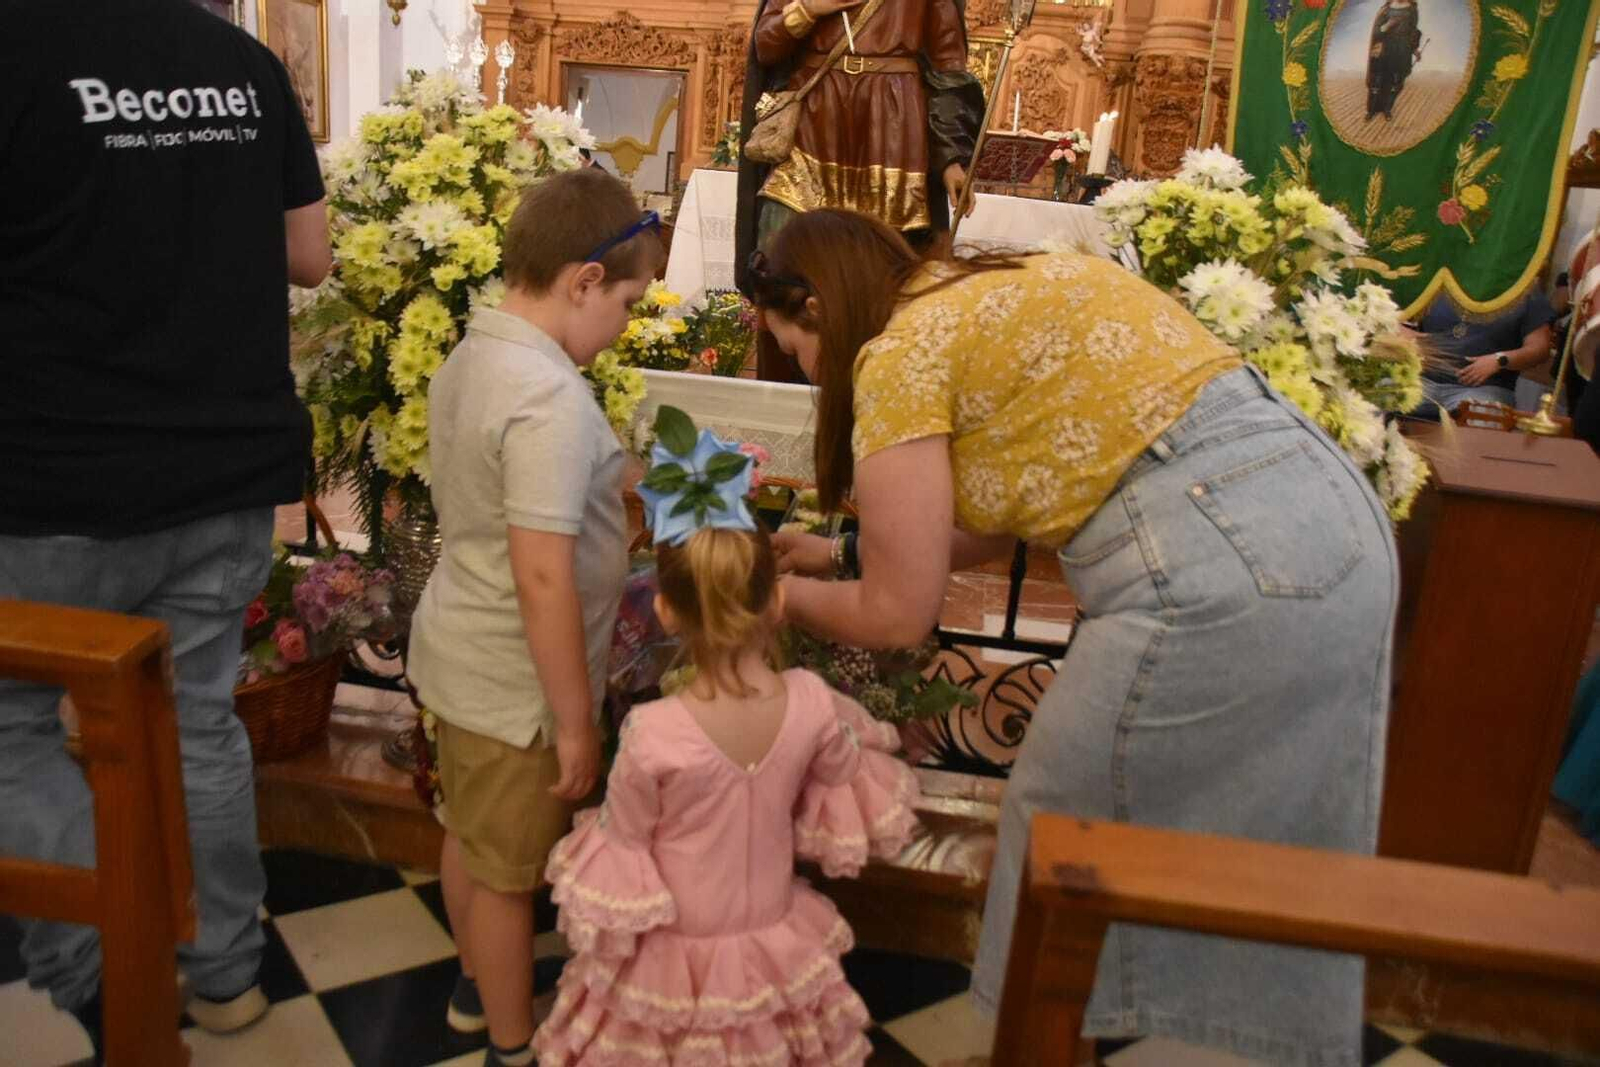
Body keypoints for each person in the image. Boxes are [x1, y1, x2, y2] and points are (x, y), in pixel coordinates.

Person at [753, 209, 1398, 1066]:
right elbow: (1007, 498)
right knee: (1263, 848)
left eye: (797, 351)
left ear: (817, 307)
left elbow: (898, 614)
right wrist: (841, 554)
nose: (809, 372)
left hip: (1220, 559)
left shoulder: (899, 351)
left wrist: (780, 599)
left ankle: (1042, 1047)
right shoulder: (993, 285)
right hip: (1326, 517)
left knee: (1057, 840)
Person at [0, 0, 328, 1057]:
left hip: (52, 484)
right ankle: (227, 970)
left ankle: (110, 976)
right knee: (197, 720)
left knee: (9, 732)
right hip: (223, 467)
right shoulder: (242, 60)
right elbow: (310, 255)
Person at [531, 429, 920, 1065]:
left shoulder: (653, 733)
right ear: (776, 601)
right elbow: (845, 781)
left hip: (671, 959)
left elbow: (625, 847)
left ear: (666, 613)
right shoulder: (812, 703)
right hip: (772, 941)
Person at [406, 167, 660, 1067]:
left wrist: (647, 478)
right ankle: (513, 1044)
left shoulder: (481, 353)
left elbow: (543, 482)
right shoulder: (546, 395)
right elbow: (543, 574)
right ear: (583, 281)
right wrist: (572, 719)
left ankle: (478, 986)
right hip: (518, 689)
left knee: (471, 839)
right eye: (627, 302)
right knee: (508, 880)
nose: (625, 322)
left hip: (464, 658)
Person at [734, 0, 984, 380]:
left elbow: (948, 64)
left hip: (893, 129)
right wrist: (809, 8)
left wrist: (952, 158)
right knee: (778, 252)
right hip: (815, 120)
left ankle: (879, 382)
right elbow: (766, 46)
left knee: (887, 272)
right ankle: (783, 384)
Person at [1407, 291, 1556, 420]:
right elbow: (1396, 320)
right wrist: (1407, 338)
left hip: (1484, 389)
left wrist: (1499, 360)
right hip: (1422, 381)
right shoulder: (1438, 280)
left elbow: (1539, 349)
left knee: (1480, 416)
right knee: (1392, 398)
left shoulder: (1527, 292)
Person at [1366, 0, 1422, 121]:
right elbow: (1376, 32)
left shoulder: (1412, 9)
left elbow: (1413, 31)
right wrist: (1387, 25)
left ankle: (1387, 110)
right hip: (1385, 48)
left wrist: (1415, 49)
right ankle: (1371, 110)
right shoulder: (1385, 9)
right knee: (1377, 80)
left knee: (1396, 81)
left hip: (1402, 49)